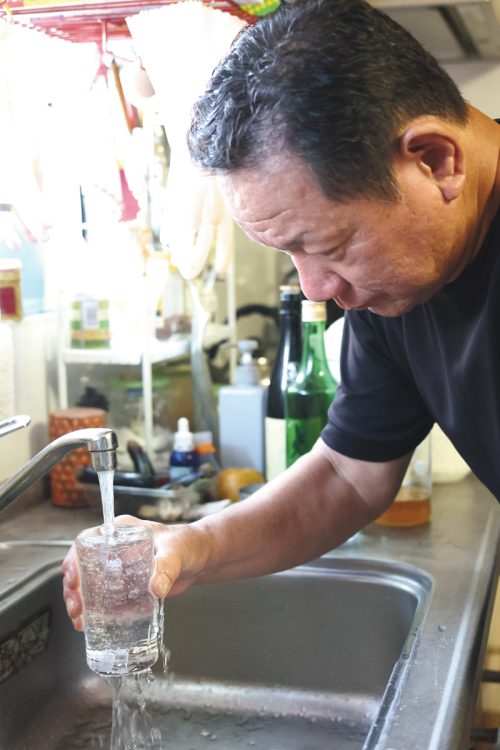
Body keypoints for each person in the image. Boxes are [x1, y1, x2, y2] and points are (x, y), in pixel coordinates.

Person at [63, 0, 500, 628]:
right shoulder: (398, 283)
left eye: (328, 246)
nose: (317, 290)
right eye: (290, 252)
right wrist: (195, 544)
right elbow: (348, 477)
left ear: (434, 160)